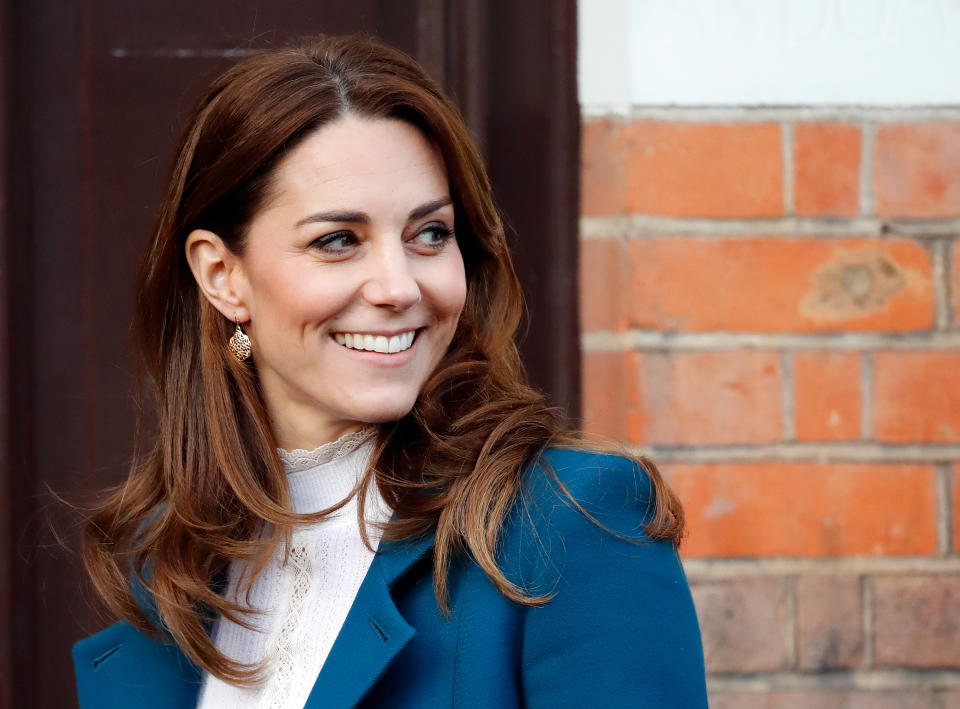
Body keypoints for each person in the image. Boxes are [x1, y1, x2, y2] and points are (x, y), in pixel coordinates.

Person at [72, 34, 707, 708]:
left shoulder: (569, 522)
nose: (398, 286)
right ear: (222, 275)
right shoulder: (167, 560)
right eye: (338, 241)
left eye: (429, 234)